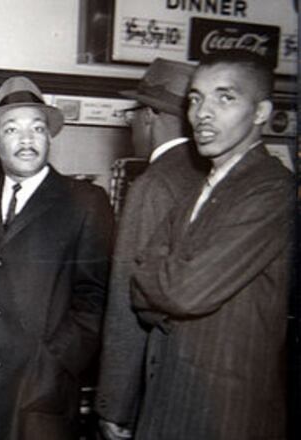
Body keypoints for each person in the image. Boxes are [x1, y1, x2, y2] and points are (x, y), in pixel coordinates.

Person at [0, 75, 114, 440]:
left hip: (45, 392)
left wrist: (53, 365)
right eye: (12, 129)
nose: (27, 139)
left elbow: (96, 299)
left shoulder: (85, 202)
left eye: (38, 128)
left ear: (49, 137)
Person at [130, 49, 294, 439]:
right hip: (172, 395)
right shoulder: (204, 183)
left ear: (260, 113)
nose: (203, 113)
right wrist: (161, 280)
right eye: (196, 98)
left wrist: (159, 280)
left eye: (225, 98)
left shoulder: (271, 189)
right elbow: (141, 280)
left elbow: (185, 292)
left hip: (224, 412)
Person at [95, 58, 208, 439]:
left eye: (133, 114)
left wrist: (114, 401)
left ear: (149, 116)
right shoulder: (214, 174)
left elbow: (128, 298)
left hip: (152, 379)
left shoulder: (153, 184)